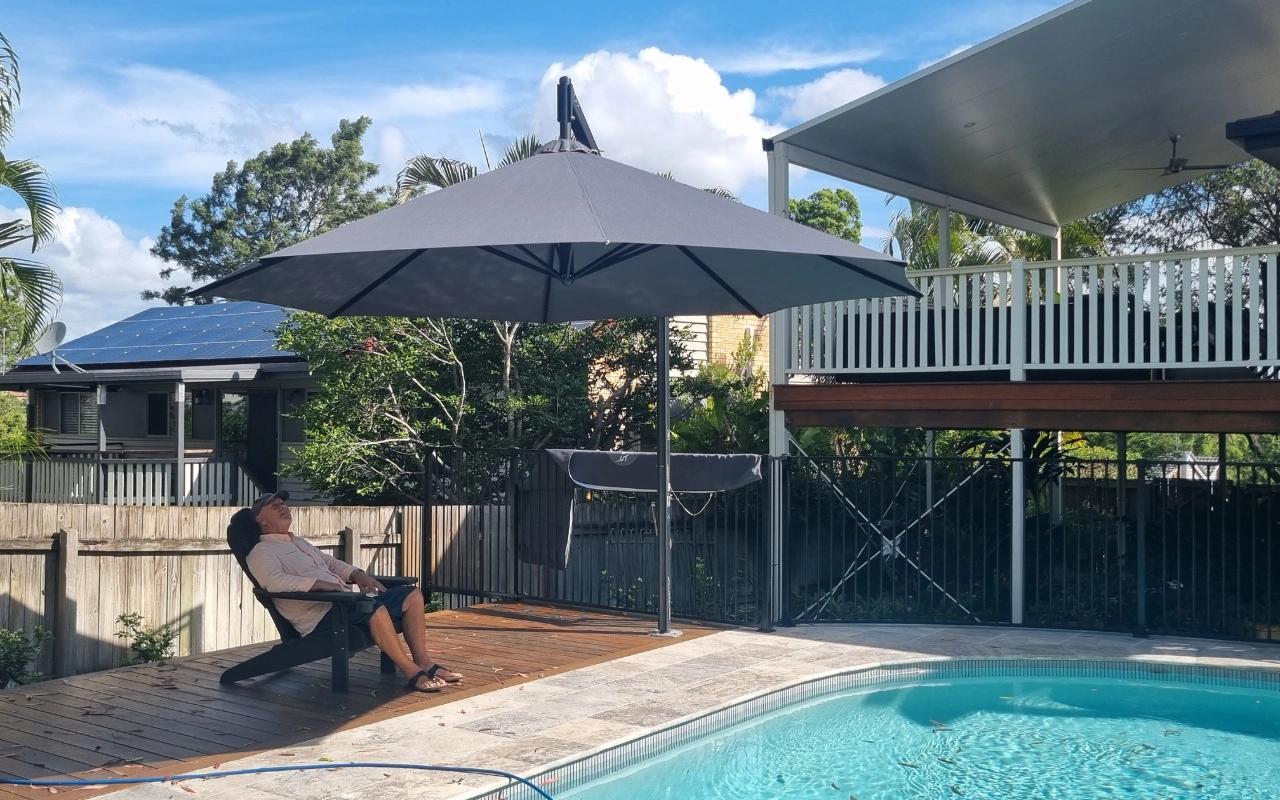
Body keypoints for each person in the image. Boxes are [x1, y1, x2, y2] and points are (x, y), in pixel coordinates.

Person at [244, 491, 463, 692]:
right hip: (322, 616)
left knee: (411, 595)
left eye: (283, 503)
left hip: (345, 602)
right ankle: (411, 671)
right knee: (374, 609)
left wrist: (358, 575)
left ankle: (423, 662)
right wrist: (318, 584)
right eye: (274, 505)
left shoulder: (298, 542)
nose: (283, 506)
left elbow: (331, 563)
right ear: (261, 520)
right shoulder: (261, 551)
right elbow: (273, 582)